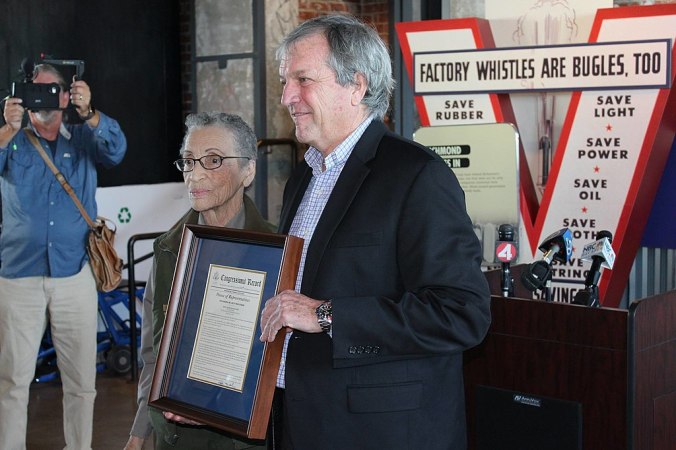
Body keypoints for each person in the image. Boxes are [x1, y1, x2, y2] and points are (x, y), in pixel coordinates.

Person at [257, 14, 492, 450]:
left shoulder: (417, 175)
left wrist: (327, 315)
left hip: (380, 432)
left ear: (357, 86)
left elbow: (462, 314)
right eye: (286, 81)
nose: (288, 96)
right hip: (301, 421)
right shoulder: (303, 177)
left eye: (303, 79)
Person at [124, 112, 274, 450]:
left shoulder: (275, 253)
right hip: (175, 437)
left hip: (241, 438)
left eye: (214, 160)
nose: (196, 175)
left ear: (247, 171)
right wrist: (138, 434)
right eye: (189, 161)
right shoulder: (167, 250)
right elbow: (152, 352)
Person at [0, 63, 127, 449]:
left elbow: (116, 150)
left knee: (81, 383)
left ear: (67, 95)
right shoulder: (13, 141)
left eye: (51, 90)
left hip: (75, 275)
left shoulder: (83, 138)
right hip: (18, 277)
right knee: (12, 383)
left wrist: (91, 114)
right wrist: (6, 127)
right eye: (34, 90)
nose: (43, 99)